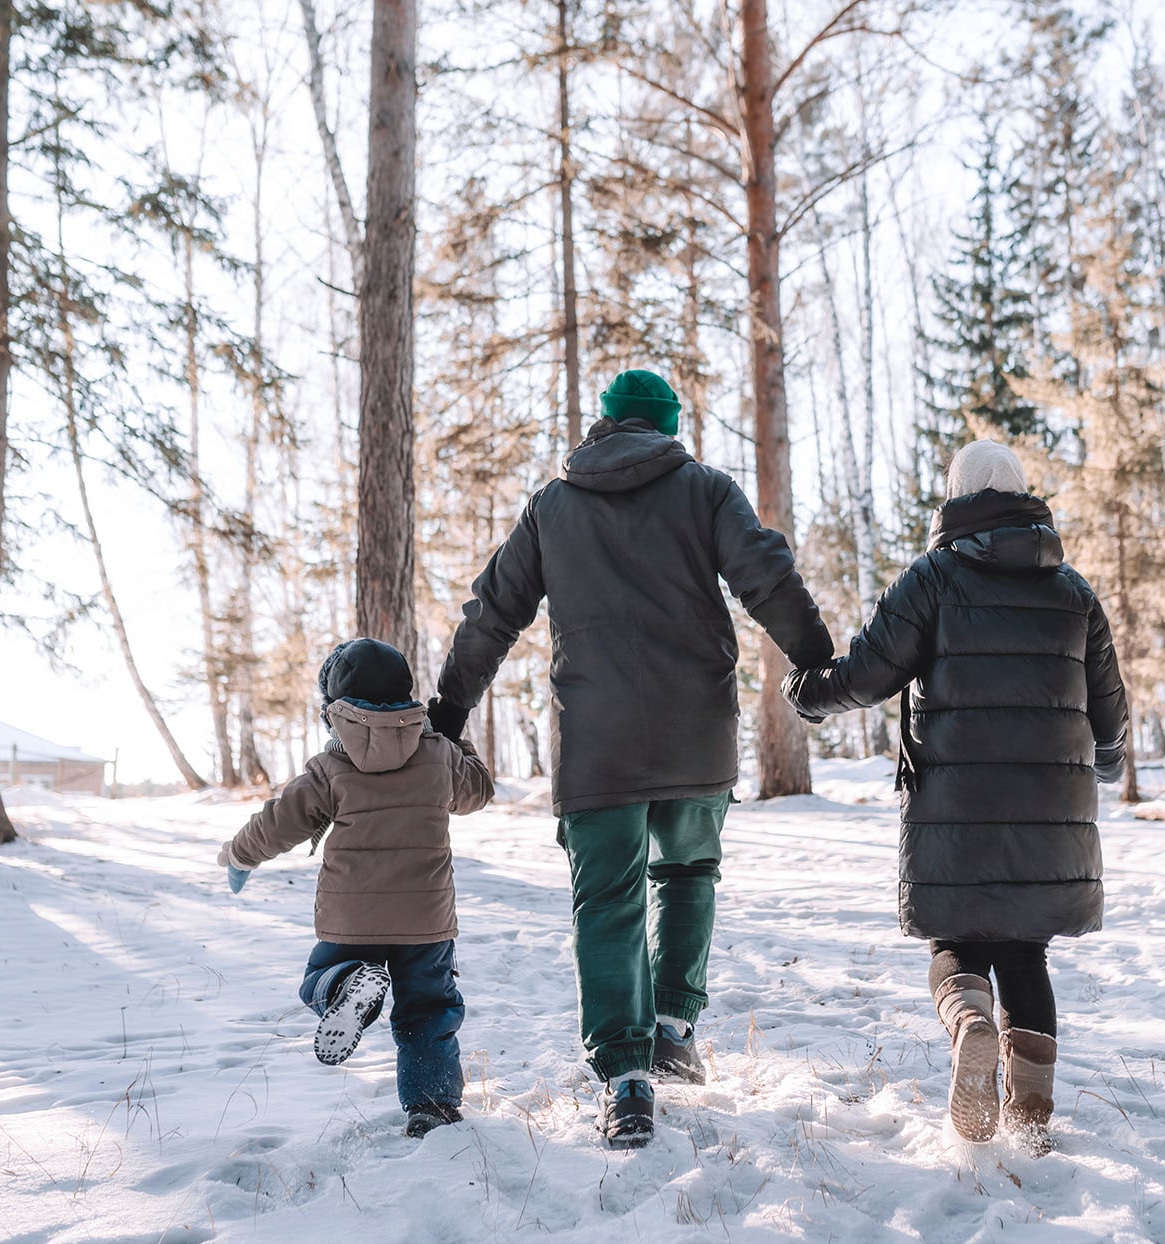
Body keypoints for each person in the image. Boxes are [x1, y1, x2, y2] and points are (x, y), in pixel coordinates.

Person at [429, 368, 833, 1148]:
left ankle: (626, 1078)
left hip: (597, 745)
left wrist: (450, 709)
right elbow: (766, 575)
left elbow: (493, 615)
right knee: (686, 875)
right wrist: (815, 658)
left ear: (606, 424)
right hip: (696, 733)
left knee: (606, 901)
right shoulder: (706, 490)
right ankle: (675, 1027)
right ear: (666, 425)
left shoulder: (553, 506)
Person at [782, 440, 1127, 1153]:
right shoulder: (1074, 592)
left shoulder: (935, 578)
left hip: (954, 802)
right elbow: (1110, 711)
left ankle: (970, 1022)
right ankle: (1030, 1115)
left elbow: (869, 672)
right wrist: (1110, 761)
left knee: (956, 938)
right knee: (1025, 952)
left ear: (957, 497)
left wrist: (808, 695)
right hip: (1047, 813)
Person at [217, 637, 494, 1139]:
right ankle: (433, 1107)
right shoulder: (438, 756)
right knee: (428, 1010)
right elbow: (479, 792)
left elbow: (279, 822)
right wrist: (455, 741)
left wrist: (240, 856)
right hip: (426, 921)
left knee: (318, 978)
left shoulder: (330, 768)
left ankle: (345, 985)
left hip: (352, 917)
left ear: (334, 711)